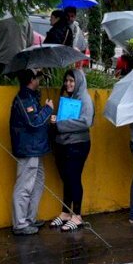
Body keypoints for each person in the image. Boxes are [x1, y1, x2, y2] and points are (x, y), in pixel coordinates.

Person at [10, 69, 53, 235]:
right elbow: (33, 123)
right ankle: (20, 224)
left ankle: (30, 218)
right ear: (31, 79)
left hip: (36, 148)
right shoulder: (24, 98)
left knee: (37, 182)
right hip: (28, 149)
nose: (40, 80)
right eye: (38, 77)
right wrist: (48, 110)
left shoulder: (31, 96)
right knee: (24, 186)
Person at [50, 69, 94, 231]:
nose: (68, 84)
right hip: (64, 144)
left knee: (74, 178)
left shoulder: (85, 99)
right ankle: (65, 212)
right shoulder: (69, 97)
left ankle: (77, 215)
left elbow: (85, 122)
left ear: (79, 82)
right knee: (66, 178)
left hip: (78, 145)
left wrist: (60, 123)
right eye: (67, 80)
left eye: (72, 81)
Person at [0, 15, 34, 82]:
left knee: (0, 87)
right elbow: (30, 42)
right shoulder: (25, 20)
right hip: (19, 61)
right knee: (17, 88)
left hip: (1, 60)